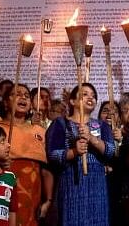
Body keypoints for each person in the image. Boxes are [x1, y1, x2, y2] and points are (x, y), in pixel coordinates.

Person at [45, 83, 115, 226]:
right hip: (72, 181)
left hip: (97, 184)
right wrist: (74, 152)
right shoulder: (61, 123)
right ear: (72, 101)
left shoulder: (102, 125)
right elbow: (52, 154)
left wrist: (92, 139)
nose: (91, 97)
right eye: (85, 94)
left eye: (93, 96)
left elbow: (110, 151)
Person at [0, 83, 53, 226]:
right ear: (5, 102)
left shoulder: (40, 131)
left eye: (27, 96)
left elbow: (46, 170)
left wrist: (49, 200)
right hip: (2, 189)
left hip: (32, 193)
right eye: (17, 94)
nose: (23, 97)